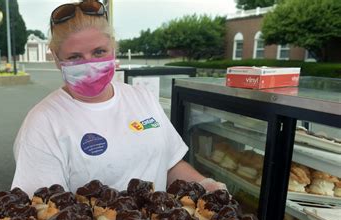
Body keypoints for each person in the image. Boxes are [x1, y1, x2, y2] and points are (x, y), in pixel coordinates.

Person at [12, 0, 224, 196]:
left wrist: (205, 184)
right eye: (75, 57)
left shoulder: (142, 98)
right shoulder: (43, 123)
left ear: (113, 48)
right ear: (57, 58)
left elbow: (170, 165)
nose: (90, 64)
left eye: (99, 52)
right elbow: (43, 209)